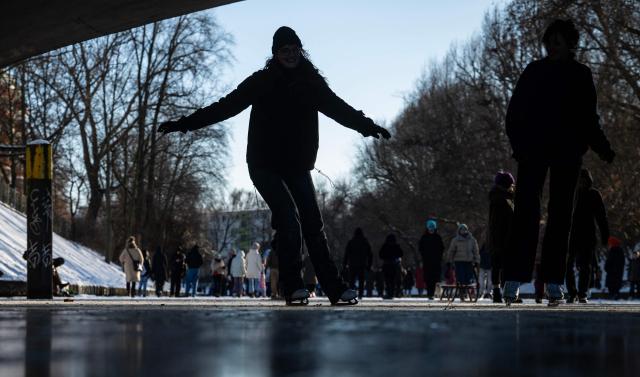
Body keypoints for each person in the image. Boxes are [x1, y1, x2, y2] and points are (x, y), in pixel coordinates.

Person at [158, 26, 390, 305]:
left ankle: (335, 288)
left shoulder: (311, 83)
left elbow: (337, 108)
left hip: (296, 166)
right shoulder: (262, 82)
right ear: (275, 54)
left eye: (294, 50)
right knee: (290, 221)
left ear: (301, 51)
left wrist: (366, 126)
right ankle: (292, 286)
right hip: (264, 164)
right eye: (284, 51)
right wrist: (185, 124)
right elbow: (225, 106)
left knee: (313, 225)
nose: (290, 55)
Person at [502, 19, 615, 306]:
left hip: (567, 153)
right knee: (526, 212)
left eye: (558, 41)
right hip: (533, 151)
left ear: (570, 45)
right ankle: (514, 279)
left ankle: (554, 281)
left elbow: (590, 118)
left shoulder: (581, 75)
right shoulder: (534, 72)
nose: (552, 46)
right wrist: (520, 147)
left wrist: (602, 148)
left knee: (561, 217)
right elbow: (514, 113)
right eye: (549, 41)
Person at [566, 169, 609, 303]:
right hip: (573, 235)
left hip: (586, 235)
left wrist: (605, 235)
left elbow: (601, 216)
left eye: (583, 180)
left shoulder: (592, 194)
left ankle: (581, 292)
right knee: (570, 265)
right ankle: (574, 292)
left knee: (584, 266)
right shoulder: (573, 193)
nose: (581, 183)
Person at [487, 171, 515, 303]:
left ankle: (497, 292)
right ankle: (507, 293)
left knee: (497, 266)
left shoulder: (496, 197)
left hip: (495, 236)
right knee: (506, 266)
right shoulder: (505, 199)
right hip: (504, 236)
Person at [446, 224, 480, 291]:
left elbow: (476, 251)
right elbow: (451, 251)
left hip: (469, 261)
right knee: (461, 278)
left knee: (468, 278)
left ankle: (466, 291)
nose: (463, 231)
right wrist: (449, 261)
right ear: (459, 231)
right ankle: (462, 291)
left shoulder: (472, 240)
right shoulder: (455, 240)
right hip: (459, 261)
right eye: (461, 229)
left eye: (465, 229)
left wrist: (477, 261)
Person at [342, 228, 373, 299]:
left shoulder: (351, 242)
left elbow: (346, 254)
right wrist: (369, 265)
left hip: (352, 264)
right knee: (361, 280)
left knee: (352, 281)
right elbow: (370, 254)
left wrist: (345, 264)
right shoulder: (365, 242)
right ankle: (360, 294)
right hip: (362, 264)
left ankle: (351, 294)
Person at [419, 220, 445, 300]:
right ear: (427, 228)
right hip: (427, 261)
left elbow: (442, 248)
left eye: (433, 228)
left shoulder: (438, 237)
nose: (431, 229)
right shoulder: (424, 238)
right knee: (428, 278)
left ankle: (433, 293)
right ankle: (429, 293)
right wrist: (424, 256)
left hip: (436, 262)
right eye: (430, 228)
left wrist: (439, 257)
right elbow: (420, 248)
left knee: (435, 278)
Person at [379, 234, 403, 299]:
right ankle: (392, 293)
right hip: (394, 265)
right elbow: (401, 254)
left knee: (387, 280)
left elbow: (380, 255)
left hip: (386, 265)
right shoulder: (396, 246)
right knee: (393, 280)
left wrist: (386, 257)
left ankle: (389, 293)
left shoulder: (385, 246)